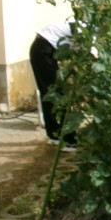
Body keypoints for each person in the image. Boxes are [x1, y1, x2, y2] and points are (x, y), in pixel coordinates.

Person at [29, 19, 77, 150]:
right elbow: (88, 59)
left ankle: (54, 135)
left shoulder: (82, 24)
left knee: (49, 93)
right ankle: (68, 140)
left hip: (39, 48)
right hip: (44, 51)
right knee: (57, 94)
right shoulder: (87, 32)